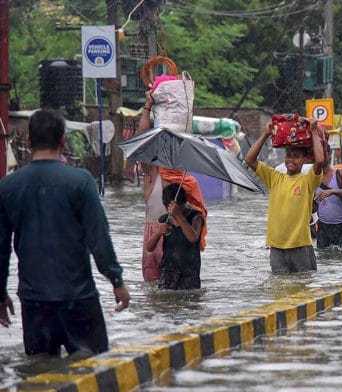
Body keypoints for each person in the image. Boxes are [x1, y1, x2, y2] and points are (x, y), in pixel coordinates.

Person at [0, 109, 130, 356]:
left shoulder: (8, 187)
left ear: (28, 141)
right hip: (79, 299)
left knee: (39, 376)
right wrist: (116, 280)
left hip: (34, 303)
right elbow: (98, 237)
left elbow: (1, 248)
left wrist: (0, 294)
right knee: (93, 370)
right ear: (63, 140)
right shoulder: (80, 182)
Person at [138, 89, 208, 281]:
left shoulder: (188, 182)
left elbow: (196, 220)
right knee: (155, 294)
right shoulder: (152, 173)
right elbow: (141, 139)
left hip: (181, 244)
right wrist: (148, 106)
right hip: (155, 236)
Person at [245, 117, 324, 273]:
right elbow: (249, 159)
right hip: (276, 247)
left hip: (300, 245)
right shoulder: (274, 177)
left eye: (296, 156)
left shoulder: (307, 180)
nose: (291, 160)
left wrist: (314, 131)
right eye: (289, 155)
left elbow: (320, 161)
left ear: (304, 159)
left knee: (303, 288)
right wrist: (266, 134)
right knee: (279, 289)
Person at [145, 184, 204, 290]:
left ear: (184, 203)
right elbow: (149, 247)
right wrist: (159, 232)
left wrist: (179, 216)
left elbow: (193, 238)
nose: (171, 212)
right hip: (168, 271)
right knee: (166, 302)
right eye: (168, 208)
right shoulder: (165, 219)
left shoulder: (196, 216)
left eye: (175, 208)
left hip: (189, 273)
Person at [314, 160, 342, 249]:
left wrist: (333, 191)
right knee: (323, 258)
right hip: (323, 226)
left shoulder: (340, 173)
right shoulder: (312, 176)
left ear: (328, 155)